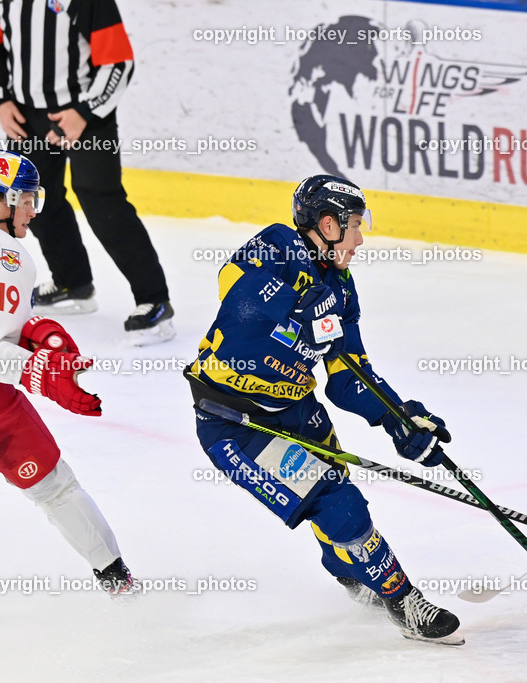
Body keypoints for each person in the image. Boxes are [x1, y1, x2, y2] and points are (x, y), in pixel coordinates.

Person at [185, 175, 462, 645]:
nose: (360, 238)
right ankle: (402, 599)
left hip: (296, 409)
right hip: (236, 424)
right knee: (340, 504)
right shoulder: (274, 250)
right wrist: (298, 313)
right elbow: (237, 312)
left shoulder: (341, 285)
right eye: (354, 225)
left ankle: (354, 576)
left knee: (336, 502)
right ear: (327, 224)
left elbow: (349, 373)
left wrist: (399, 419)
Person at [0, 149, 136, 595]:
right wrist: (44, 370)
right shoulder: (7, 255)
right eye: (24, 198)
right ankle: (121, 588)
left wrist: (31, 328)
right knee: (57, 490)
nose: (33, 208)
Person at [0, 0, 174, 345]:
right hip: (26, 115)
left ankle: (154, 300)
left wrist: (84, 111)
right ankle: (73, 283)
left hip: (88, 115)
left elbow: (118, 61)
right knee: (28, 197)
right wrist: (1, 99)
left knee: (101, 200)